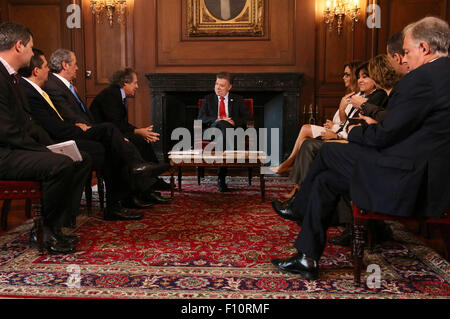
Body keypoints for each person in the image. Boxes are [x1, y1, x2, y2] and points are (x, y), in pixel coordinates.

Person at [270, 16, 450, 280]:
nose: (405, 59)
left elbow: (386, 135)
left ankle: (299, 207)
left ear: (424, 48)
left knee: (328, 151)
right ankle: (306, 257)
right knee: (326, 180)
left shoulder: (422, 78)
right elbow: (407, 126)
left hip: (409, 180)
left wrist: (355, 132)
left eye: (408, 51)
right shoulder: (442, 75)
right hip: (429, 175)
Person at [0, 22, 92, 254]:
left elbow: (26, 123)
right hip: (4, 153)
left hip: (14, 148)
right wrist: (42, 151)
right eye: (31, 47)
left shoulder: (11, 77)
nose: (32, 53)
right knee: (59, 164)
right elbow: (6, 130)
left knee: (70, 157)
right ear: (19, 46)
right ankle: (45, 232)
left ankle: (53, 228)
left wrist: (48, 147)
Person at [272, 61, 362, 177]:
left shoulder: (356, 100)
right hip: (336, 130)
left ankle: (287, 163)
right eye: (343, 74)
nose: (343, 77)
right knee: (304, 141)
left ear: (354, 76)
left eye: (347, 75)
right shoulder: (349, 96)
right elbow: (343, 122)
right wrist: (333, 124)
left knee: (305, 128)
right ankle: (296, 173)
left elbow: (348, 125)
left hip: (338, 134)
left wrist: (335, 125)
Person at [89, 67, 171, 191]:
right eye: (135, 83)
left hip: (112, 132)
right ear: (125, 82)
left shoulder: (117, 94)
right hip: (102, 136)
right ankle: (152, 177)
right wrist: (139, 131)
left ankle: (152, 176)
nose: (137, 86)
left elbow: (121, 124)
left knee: (141, 138)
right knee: (139, 140)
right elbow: (115, 124)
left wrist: (141, 131)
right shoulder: (111, 95)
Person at [197, 72, 250, 192]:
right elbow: (200, 118)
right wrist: (217, 119)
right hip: (212, 130)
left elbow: (247, 118)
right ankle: (231, 152)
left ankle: (221, 177)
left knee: (224, 128)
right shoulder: (208, 99)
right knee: (222, 123)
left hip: (229, 131)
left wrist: (232, 121)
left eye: (222, 85)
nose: (218, 87)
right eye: (216, 84)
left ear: (229, 87)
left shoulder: (238, 99)